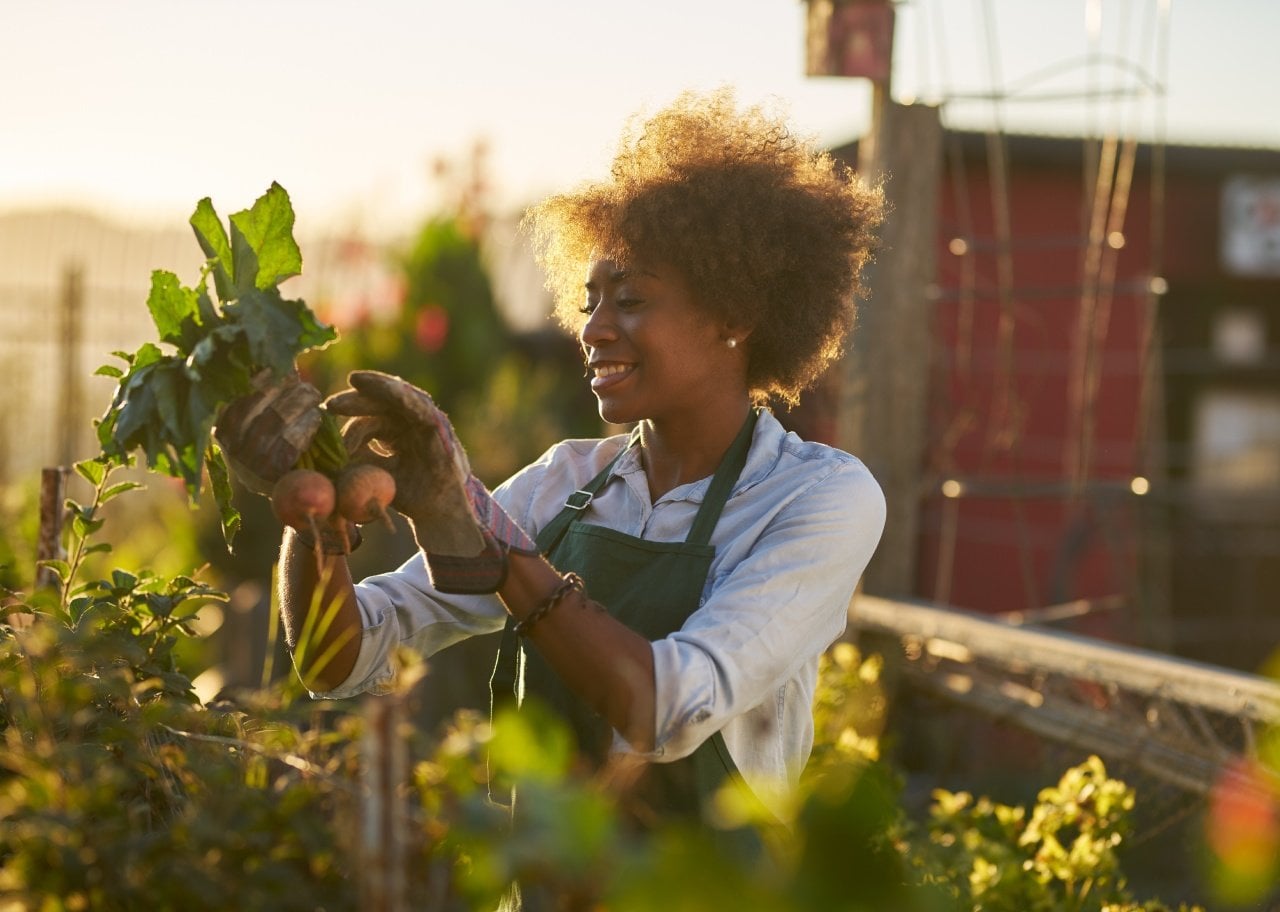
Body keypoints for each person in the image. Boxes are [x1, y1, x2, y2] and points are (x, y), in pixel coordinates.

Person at [216, 88, 885, 849]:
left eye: (630, 301)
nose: (593, 328)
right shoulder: (564, 482)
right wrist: (314, 516)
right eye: (589, 298)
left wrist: (496, 549)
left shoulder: (817, 498)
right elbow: (339, 660)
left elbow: (666, 708)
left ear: (734, 315)